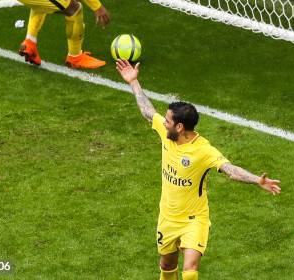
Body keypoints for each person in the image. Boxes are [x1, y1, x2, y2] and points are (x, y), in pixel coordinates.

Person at [115, 59, 281, 279]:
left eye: (167, 121)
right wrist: (133, 82)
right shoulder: (167, 134)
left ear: (180, 127)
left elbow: (230, 170)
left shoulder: (203, 150)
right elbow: (147, 111)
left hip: (195, 219)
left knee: (190, 271)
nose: (164, 123)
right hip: (168, 217)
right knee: (166, 266)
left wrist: (257, 180)